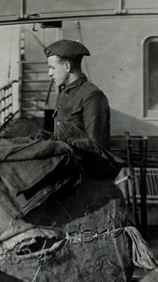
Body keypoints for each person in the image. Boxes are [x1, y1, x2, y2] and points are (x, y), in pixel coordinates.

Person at [45, 39, 120, 179]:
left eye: (52, 68)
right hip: (65, 167)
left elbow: (98, 149)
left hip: (83, 175)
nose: (49, 73)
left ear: (67, 66)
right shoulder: (64, 94)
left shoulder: (92, 95)